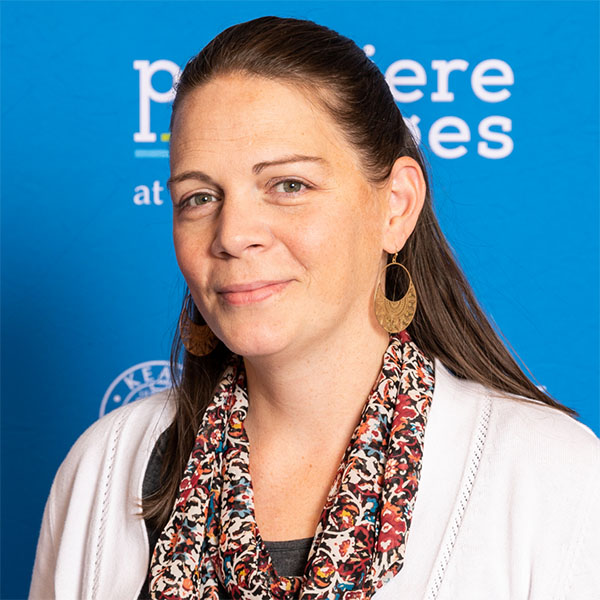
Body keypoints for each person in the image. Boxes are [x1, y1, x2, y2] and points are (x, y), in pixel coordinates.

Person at [29, 15, 599, 600]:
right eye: (199, 197)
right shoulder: (102, 468)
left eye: (288, 185)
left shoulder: (554, 477)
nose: (233, 233)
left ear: (396, 207)